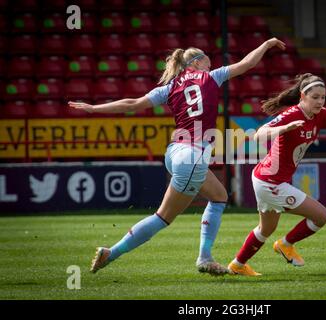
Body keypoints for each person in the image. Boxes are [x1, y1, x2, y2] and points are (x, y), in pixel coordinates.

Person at [68, 38, 286, 276]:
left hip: (174, 152)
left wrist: (93, 108)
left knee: (219, 196)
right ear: (197, 61)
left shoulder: (170, 87)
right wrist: (266, 44)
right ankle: (113, 252)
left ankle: (205, 257)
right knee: (162, 218)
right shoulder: (212, 76)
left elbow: (132, 104)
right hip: (194, 155)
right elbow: (246, 64)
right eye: (207, 59)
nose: (210, 63)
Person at [227, 73, 326, 276]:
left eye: (323, 97)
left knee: (265, 229)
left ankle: (237, 265)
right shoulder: (291, 115)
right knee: (321, 216)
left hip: (267, 179)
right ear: (303, 96)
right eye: (315, 97)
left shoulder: (321, 114)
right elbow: (259, 134)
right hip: (270, 182)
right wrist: (284, 128)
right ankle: (285, 245)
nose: (320, 101)